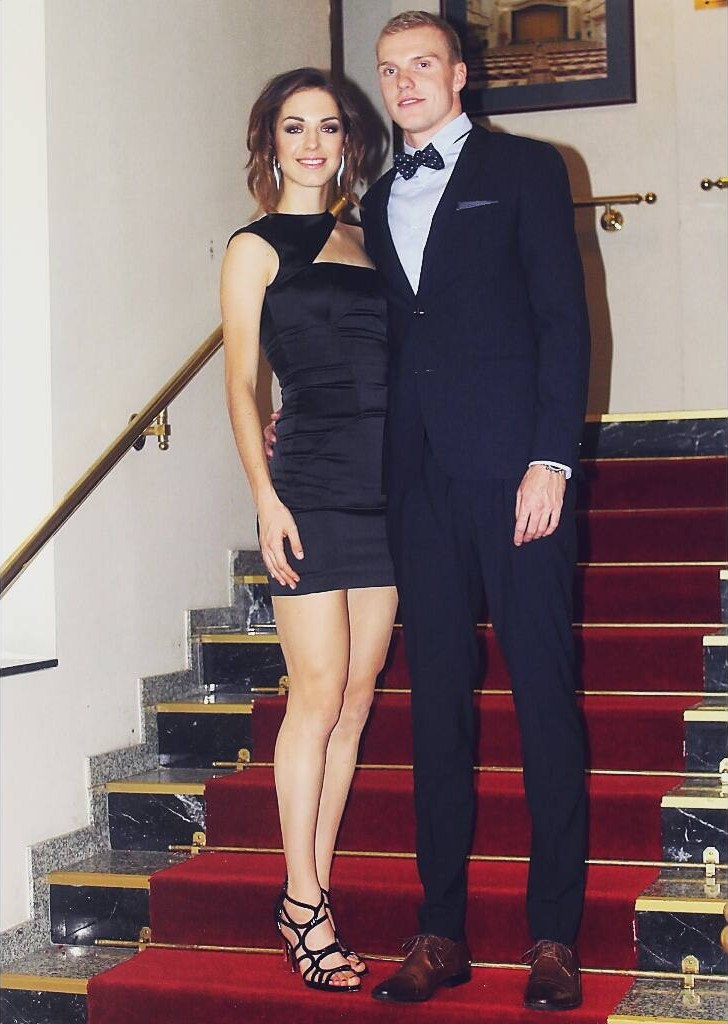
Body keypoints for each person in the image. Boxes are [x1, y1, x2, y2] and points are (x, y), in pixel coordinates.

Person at [268, 9, 591, 1011]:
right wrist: (300, 409)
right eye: (388, 68)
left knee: (543, 702)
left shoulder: (528, 170)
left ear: (459, 75)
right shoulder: (364, 202)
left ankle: (552, 937)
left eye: (422, 64)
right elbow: (364, 335)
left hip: (517, 481)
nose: (403, 81)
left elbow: (563, 321)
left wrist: (550, 458)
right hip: (412, 487)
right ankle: (439, 929)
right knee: (435, 711)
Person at [220, 67, 398, 994]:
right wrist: (265, 496)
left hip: (387, 487)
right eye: (295, 127)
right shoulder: (254, 247)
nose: (313, 143)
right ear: (271, 142)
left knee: (358, 697)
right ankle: (299, 900)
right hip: (311, 485)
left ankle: (312, 891)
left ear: (348, 143)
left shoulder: (371, 239)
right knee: (317, 694)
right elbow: (241, 381)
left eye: (328, 127)